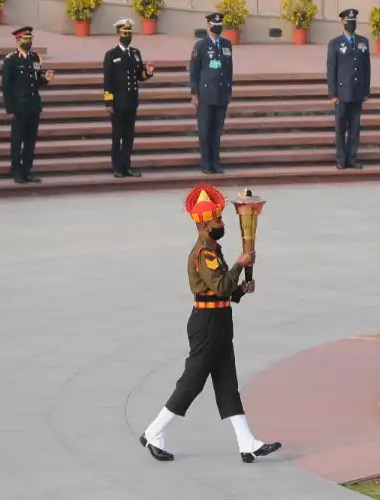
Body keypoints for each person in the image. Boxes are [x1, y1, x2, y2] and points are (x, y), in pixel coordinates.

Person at [140, 184, 281, 463]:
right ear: (205, 225)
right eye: (217, 220)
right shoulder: (204, 253)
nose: (221, 223)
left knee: (227, 383)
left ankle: (247, 442)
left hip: (218, 321)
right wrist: (240, 265)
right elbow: (219, 286)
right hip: (206, 325)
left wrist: (240, 290)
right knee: (192, 383)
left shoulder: (212, 249)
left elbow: (224, 291)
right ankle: (153, 432)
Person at [103, 19, 155, 179]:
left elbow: (140, 76)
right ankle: (117, 167)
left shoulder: (135, 53)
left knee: (128, 136)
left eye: (129, 34)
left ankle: (127, 166)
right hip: (118, 103)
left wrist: (149, 72)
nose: (127, 36)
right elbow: (108, 81)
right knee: (117, 136)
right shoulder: (111, 55)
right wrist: (109, 102)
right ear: (119, 34)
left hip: (132, 101)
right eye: (125, 33)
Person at [2, 26, 54, 184]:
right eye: (25, 39)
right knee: (17, 141)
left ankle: (27, 170)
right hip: (19, 107)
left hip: (33, 105)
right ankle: (17, 172)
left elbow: (36, 81)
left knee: (30, 141)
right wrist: (9, 108)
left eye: (30, 38)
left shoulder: (35, 57)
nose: (28, 41)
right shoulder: (11, 59)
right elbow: (6, 86)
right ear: (18, 40)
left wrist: (46, 79)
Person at [189, 13, 234, 175]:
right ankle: (206, 163)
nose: (217, 27)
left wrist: (229, 89)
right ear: (208, 26)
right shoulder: (200, 46)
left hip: (221, 93)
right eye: (214, 24)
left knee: (217, 131)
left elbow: (229, 69)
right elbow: (194, 71)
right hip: (206, 94)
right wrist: (194, 93)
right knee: (205, 130)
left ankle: (215, 163)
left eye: (220, 24)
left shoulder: (227, 45)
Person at [327, 9, 371, 170]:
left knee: (355, 128)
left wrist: (366, 90)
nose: (352, 24)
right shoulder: (335, 43)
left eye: (354, 21)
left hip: (358, 92)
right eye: (349, 21)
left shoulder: (363, 42)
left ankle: (352, 158)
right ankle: (341, 159)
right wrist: (332, 94)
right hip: (341, 93)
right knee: (340, 128)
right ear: (343, 22)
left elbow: (367, 67)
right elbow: (331, 69)